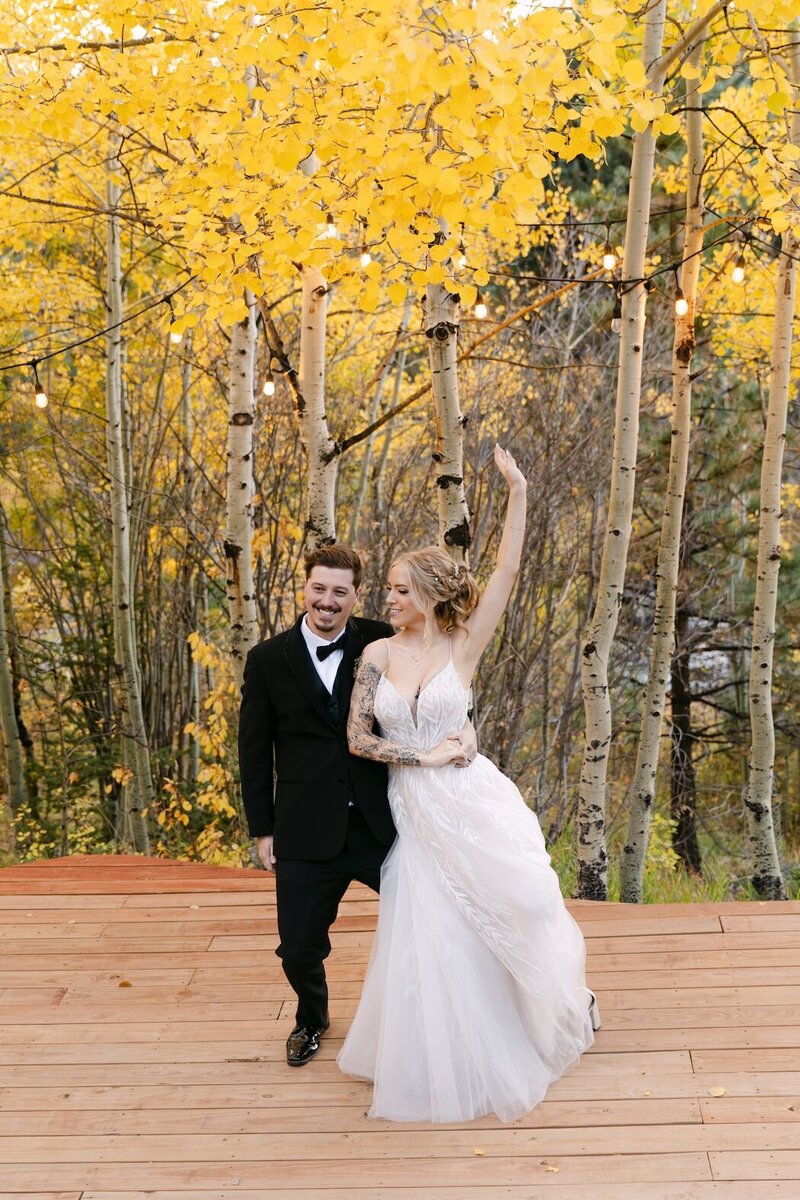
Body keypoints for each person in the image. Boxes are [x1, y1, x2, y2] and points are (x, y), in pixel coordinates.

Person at [338, 445, 599, 1123]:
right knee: (431, 925)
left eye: (398, 588)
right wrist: (420, 759)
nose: (388, 598)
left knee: (518, 906)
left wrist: (517, 488)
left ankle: (544, 1012)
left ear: (426, 590)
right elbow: (359, 738)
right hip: (419, 802)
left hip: (474, 800)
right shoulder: (376, 655)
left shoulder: (463, 647)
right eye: (388, 588)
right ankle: (433, 1057)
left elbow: (508, 569)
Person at [237, 544, 476, 1068]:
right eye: (319, 589)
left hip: (383, 821)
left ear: (355, 595)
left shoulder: (384, 640)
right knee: (298, 946)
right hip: (303, 828)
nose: (327, 601)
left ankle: (443, 1021)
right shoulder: (267, 660)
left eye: (339, 592)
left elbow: (446, 685)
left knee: (434, 919)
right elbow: (253, 751)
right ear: (305, 589)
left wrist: (467, 730)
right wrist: (263, 827)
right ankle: (311, 1018)